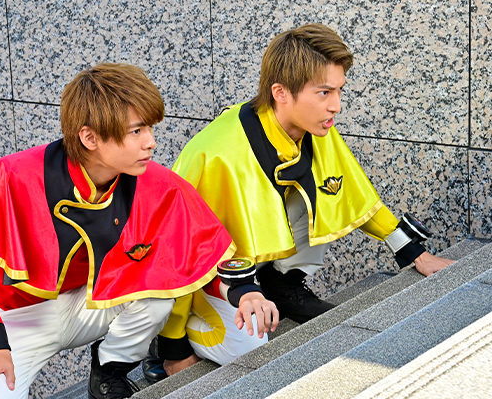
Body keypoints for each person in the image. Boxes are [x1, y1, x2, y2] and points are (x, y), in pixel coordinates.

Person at [144, 23, 454, 380]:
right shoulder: (216, 154)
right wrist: (174, 349)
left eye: (339, 90)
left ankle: (281, 285)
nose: (336, 105)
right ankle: (170, 337)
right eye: (324, 92)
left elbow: (354, 196)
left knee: (326, 192)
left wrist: (413, 253)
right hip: (210, 281)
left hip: (253, 268)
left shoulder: (316, 126)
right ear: (281, 92)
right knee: (257, 349)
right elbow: (177, 254)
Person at [0, 63, 237, 399]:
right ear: (89, 137)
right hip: (20, 318)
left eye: (150, 128)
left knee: (156, 298)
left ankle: (108, 372)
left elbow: (198, 252)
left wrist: (242, 291)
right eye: (136, 131)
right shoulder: (16, 175)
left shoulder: (155, 181)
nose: (151, 142)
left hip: (94, 304)